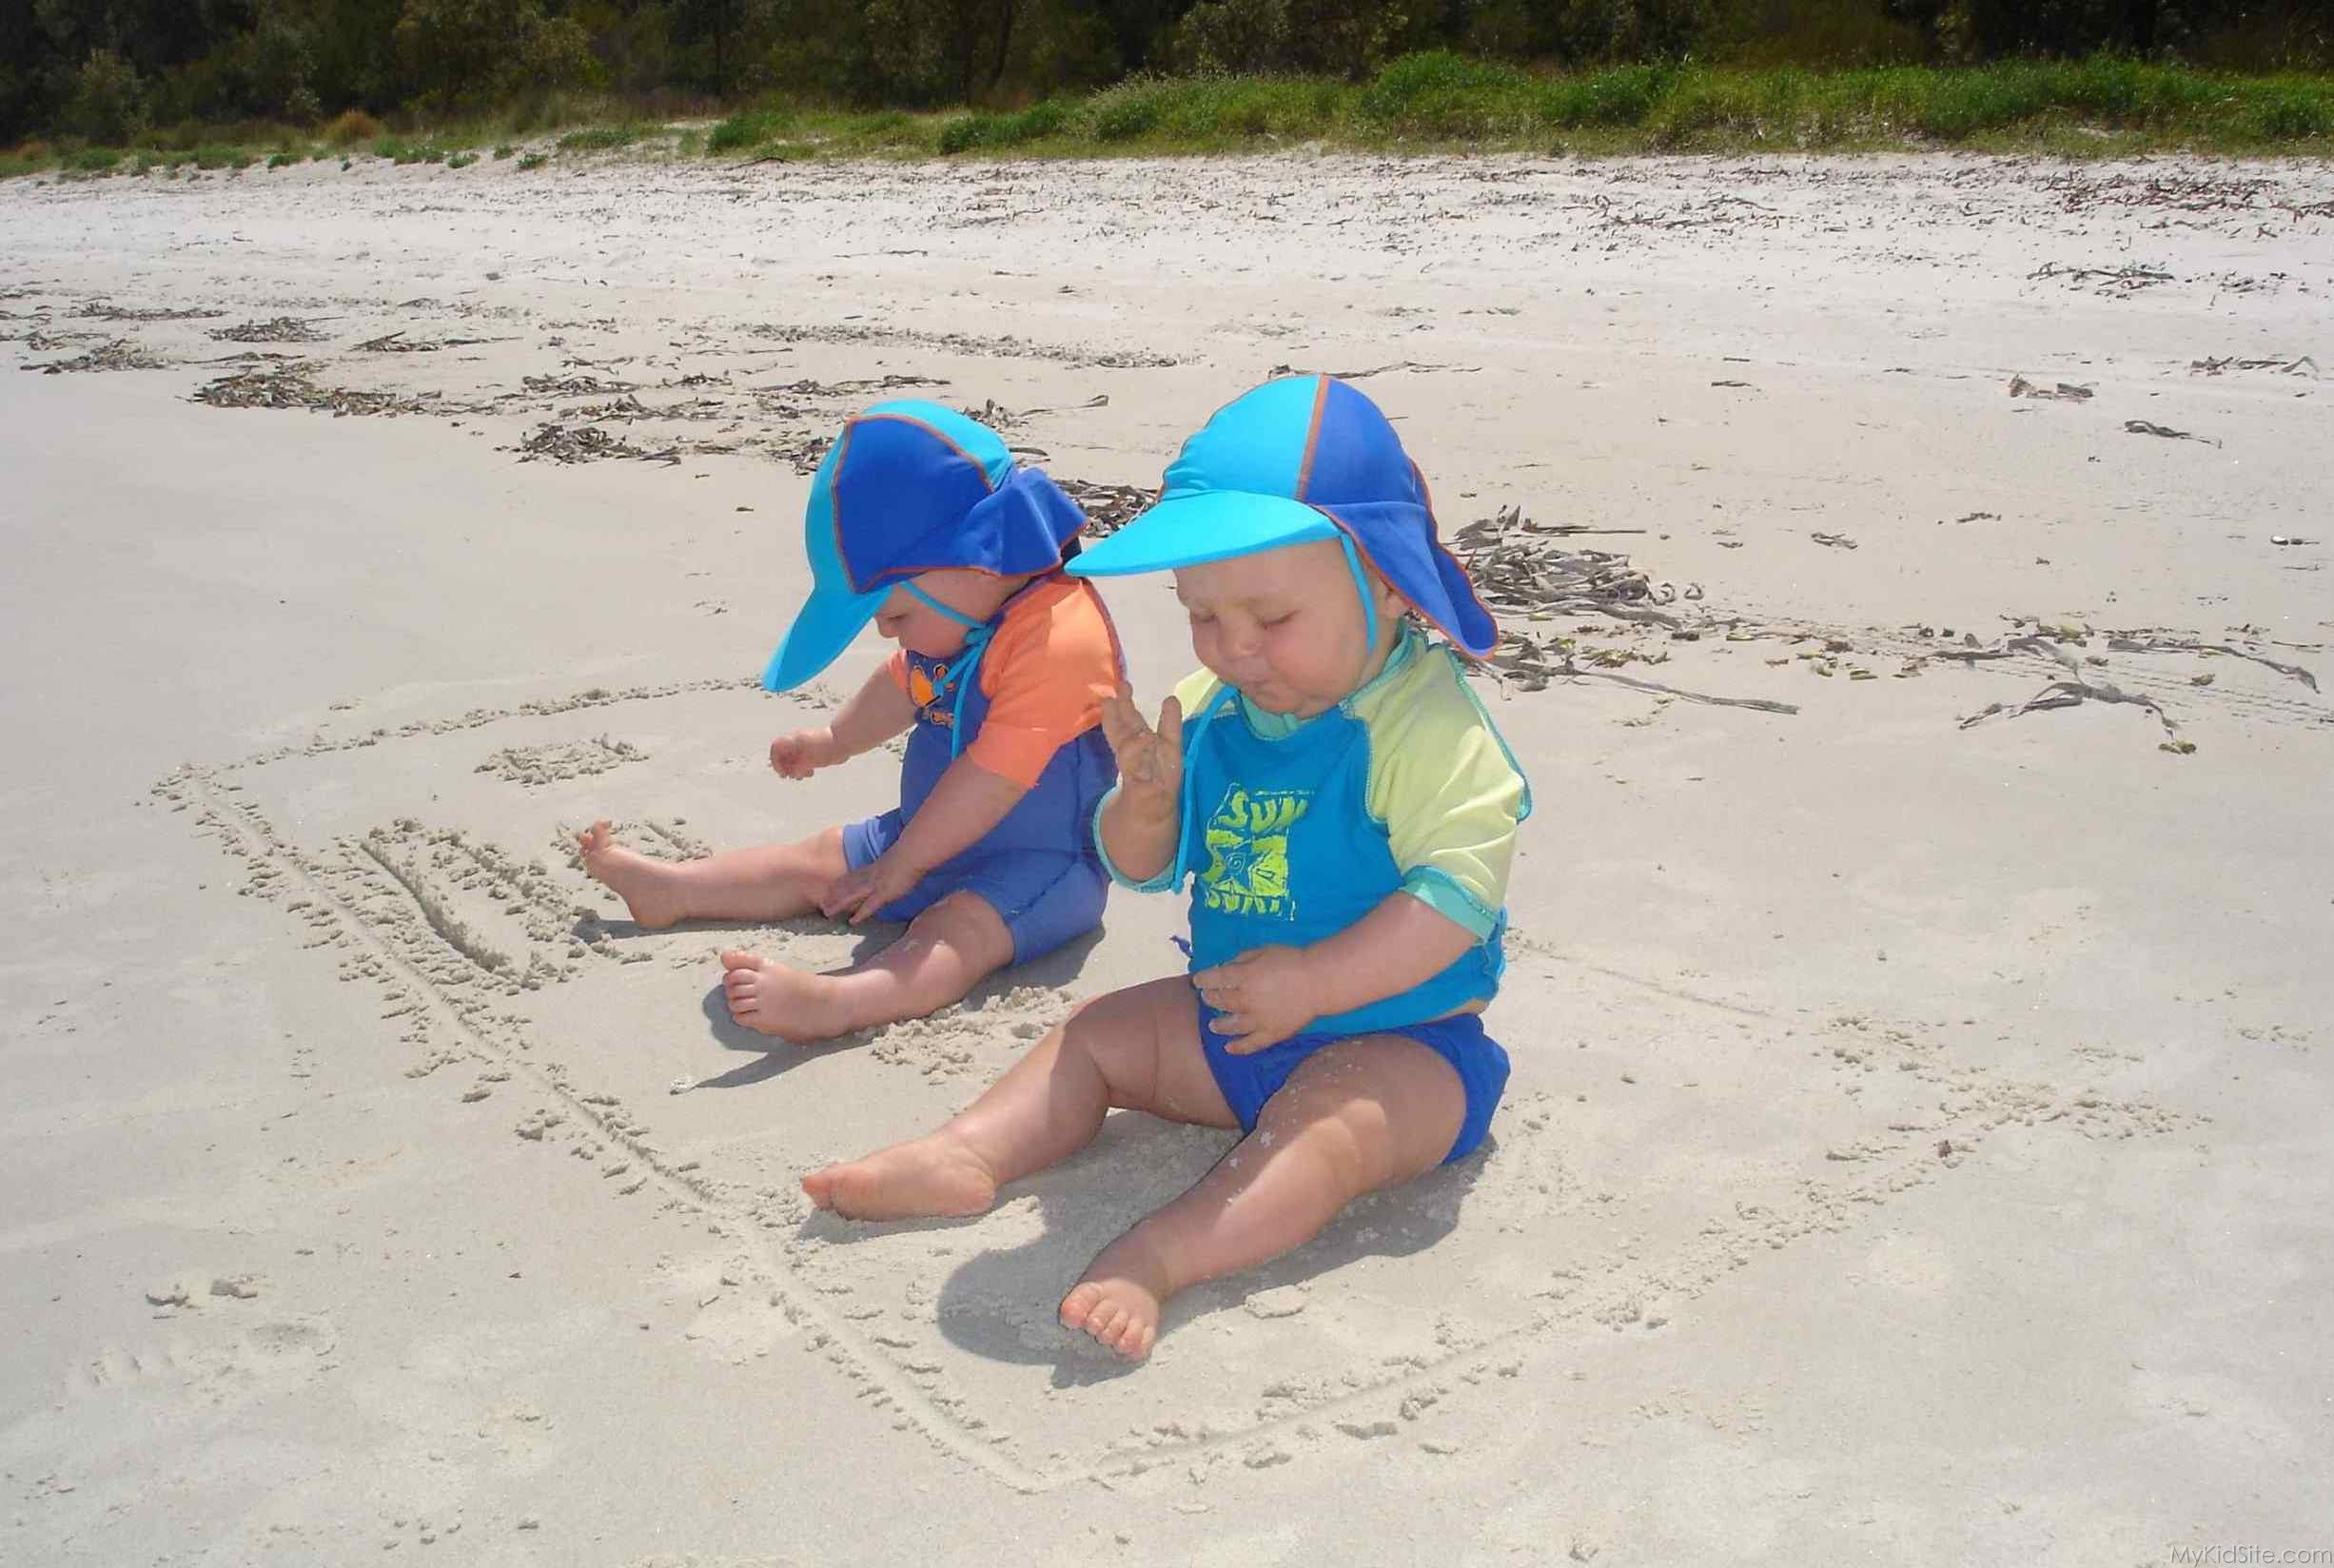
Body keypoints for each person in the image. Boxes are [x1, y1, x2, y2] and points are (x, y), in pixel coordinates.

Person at [800, 375, 1531, 1360]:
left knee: (1321, 1133)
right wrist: (1143, 806)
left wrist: (1315, 985)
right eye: (1202, 616)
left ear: (1388, 583)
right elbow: (1142, 868)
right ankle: (965, 1153)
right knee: (1096, 1036)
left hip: (1405, 1044)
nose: (1234, 650)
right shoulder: (1213, 706)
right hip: (1232, 1028)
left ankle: (1162, 1254)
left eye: (1271, 620)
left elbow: (1451, 899)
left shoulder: (1424, 724)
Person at [579, 401, 1123, 1045]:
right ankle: (674, 889)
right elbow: (902, 686)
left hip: (1041, 865)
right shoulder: (958, 626)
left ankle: (844, 1001)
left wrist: (904, 866)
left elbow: (993, 775)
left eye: (895, 615)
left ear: (977, 558)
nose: (887, 632)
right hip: (925, 836)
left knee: (954, 935)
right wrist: (834, 742)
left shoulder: (1061, 638)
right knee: (815, 860)